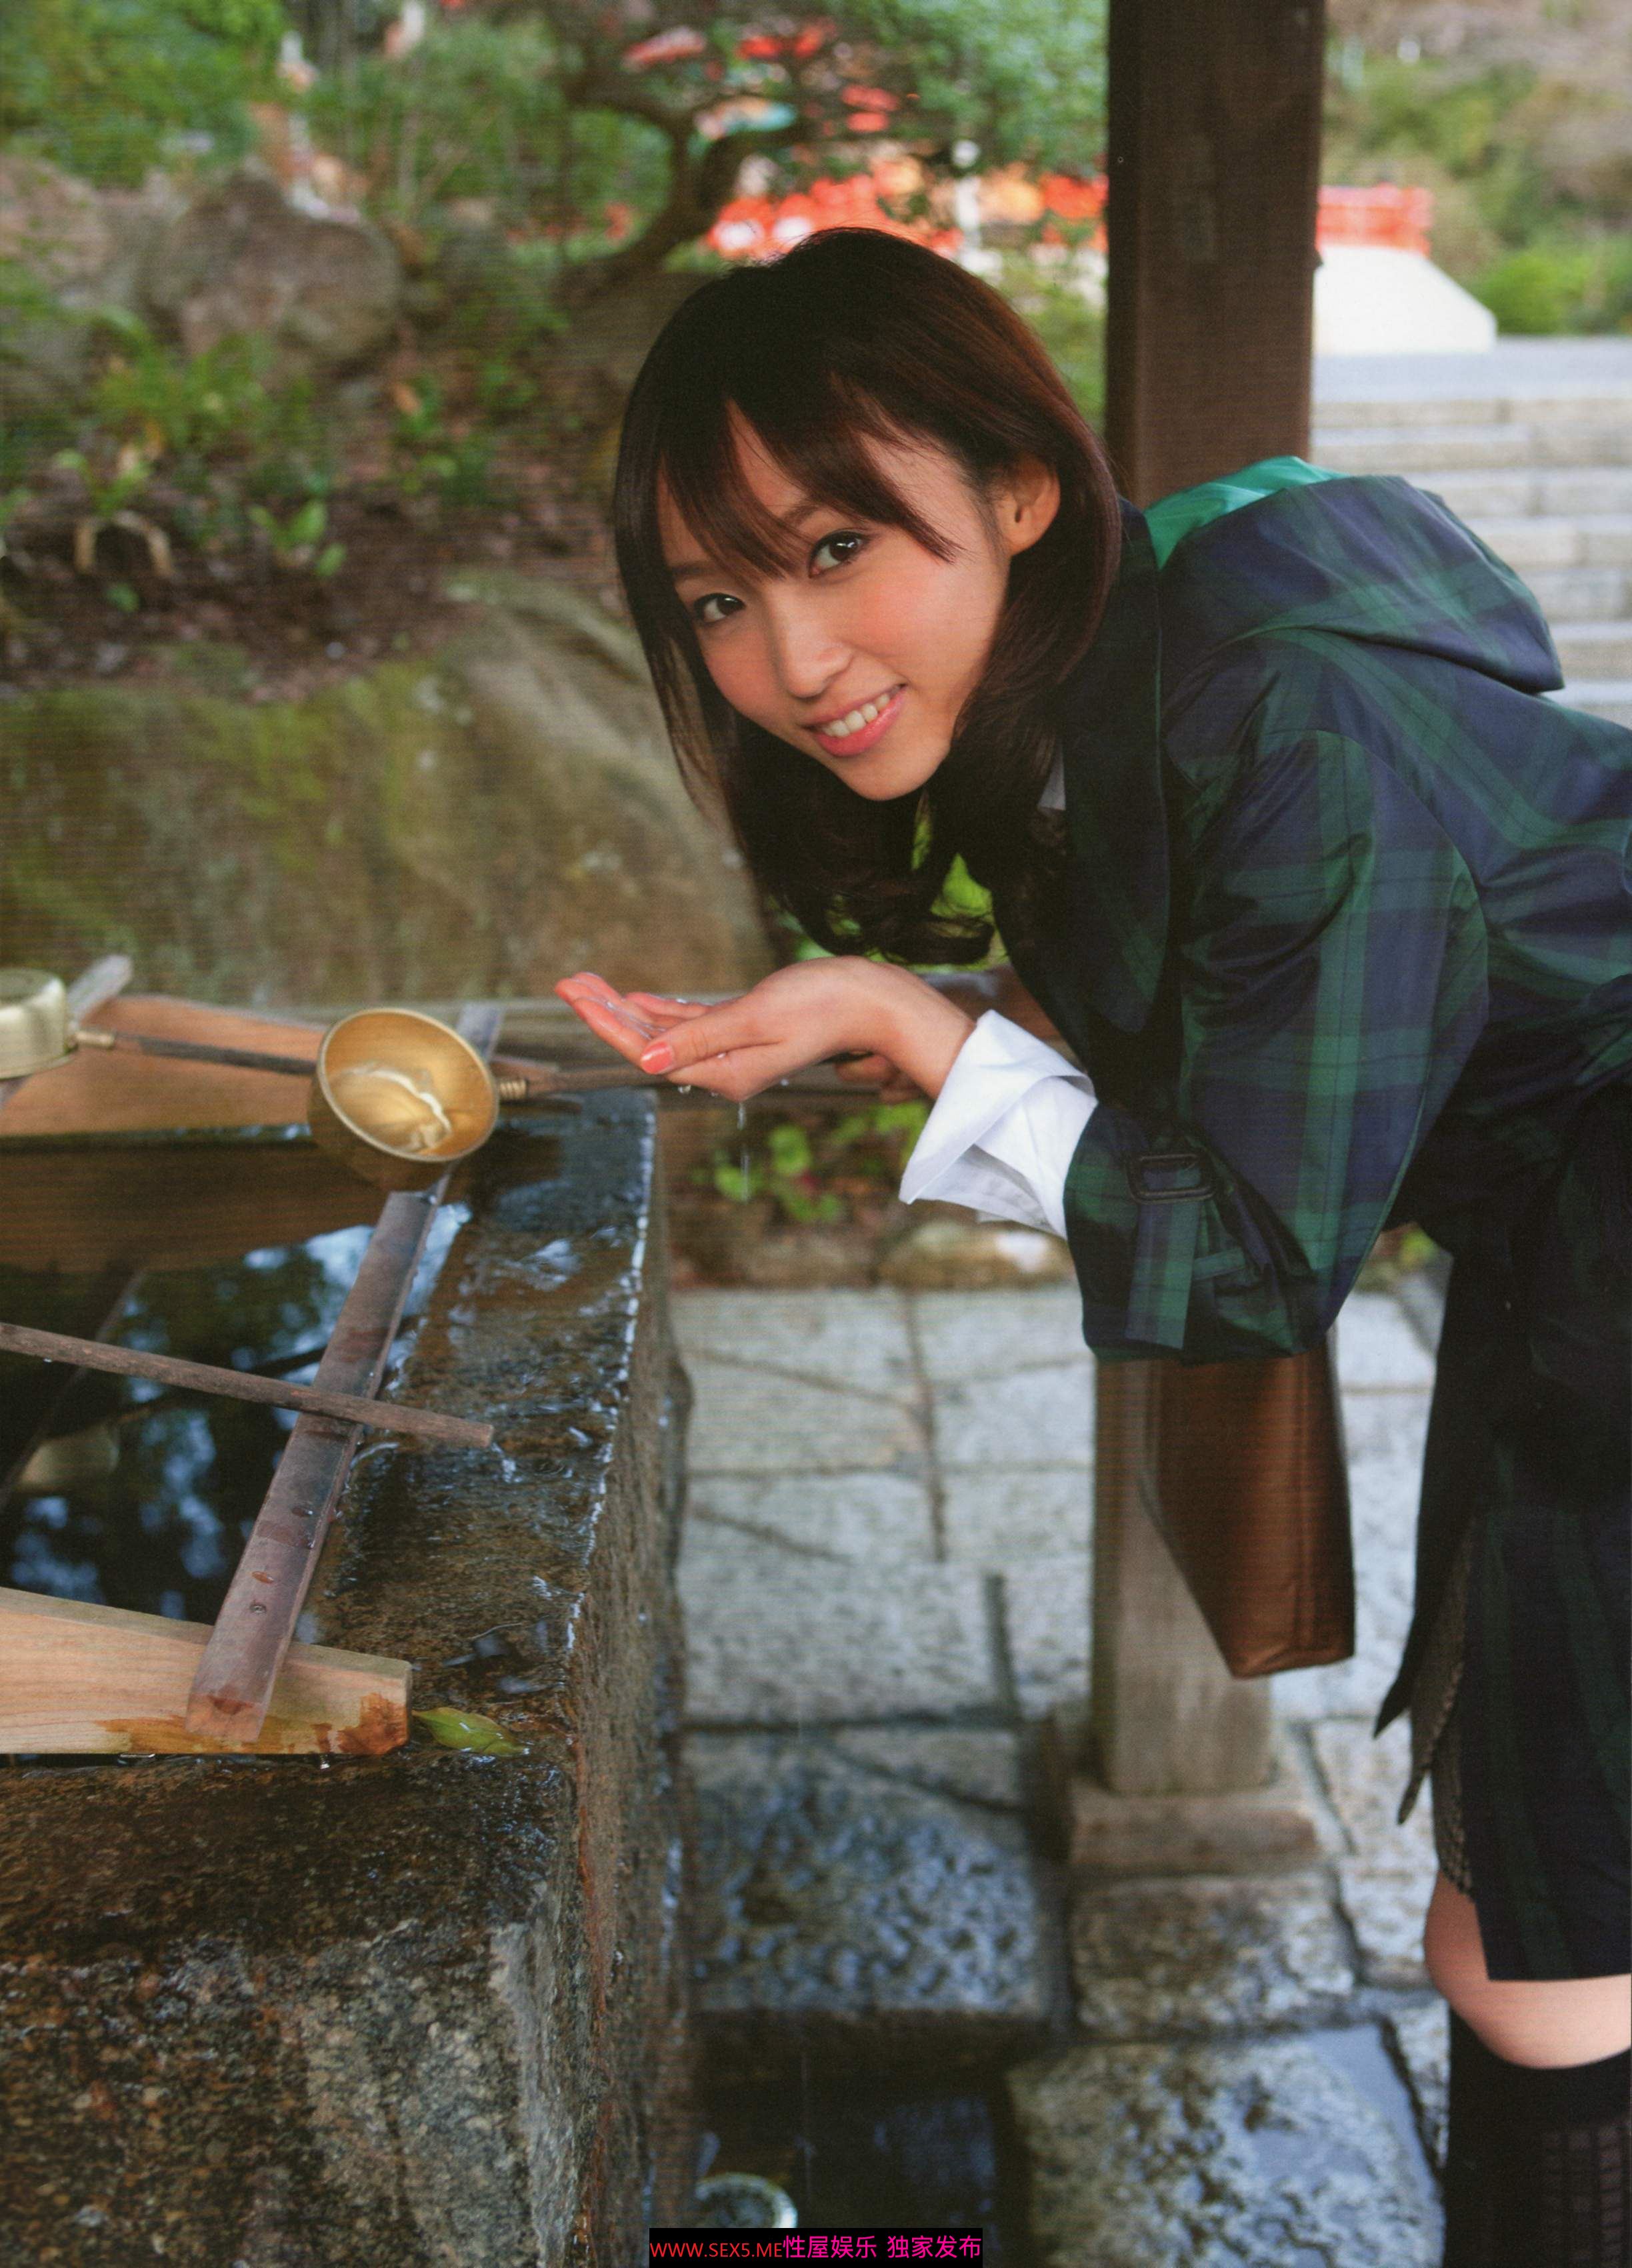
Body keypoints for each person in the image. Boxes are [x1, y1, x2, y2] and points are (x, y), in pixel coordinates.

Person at [555, 227, 1631, 2264]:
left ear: (1020, 488)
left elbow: (1249, 1253)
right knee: (1544, 1923)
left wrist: (924, 1030)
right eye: (720, 597)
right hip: (1573, 1252)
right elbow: (1197, 1035)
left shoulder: (1286, 716)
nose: (793, 655)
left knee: (1553, 1944)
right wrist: (897, 1018)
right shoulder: (1097, 686)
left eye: (838, 547)